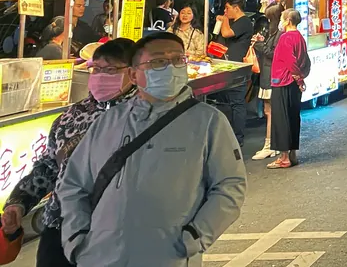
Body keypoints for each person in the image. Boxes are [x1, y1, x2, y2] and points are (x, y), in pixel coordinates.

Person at [57, 32, 246, 266]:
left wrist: (196, 236)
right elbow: (73, 184)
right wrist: (76, 239)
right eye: (158, 61)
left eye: (178, 60)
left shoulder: (209, 121)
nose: (170, 67)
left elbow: (230, 185)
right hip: (100, 256)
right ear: (133, 74)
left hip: (169, 256)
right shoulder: (109, 121)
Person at [3, 38, 137, 267]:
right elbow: (49, 166)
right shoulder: (73, 115)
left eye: (112, 69)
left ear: (133, 73)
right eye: (97, 69)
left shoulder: (146, 116)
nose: (102, 76)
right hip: (60, 224)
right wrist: (19, 202)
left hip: (120, 233)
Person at [268, 9, 308, 169]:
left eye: (283, 19)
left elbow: (290, 61)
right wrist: (300, 78)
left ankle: (284, 157)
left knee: (281, 119)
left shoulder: (285, 38)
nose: (281, 22)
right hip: (293, 83)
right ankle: (292, 154)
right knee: (293, 117)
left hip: (283, 81)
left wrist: (297, 76)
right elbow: (305, 59)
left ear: (288, 21)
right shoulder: (300, 37)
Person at [214, 0, 254, 146]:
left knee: (237, 103)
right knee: (231, 102)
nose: (225, 11)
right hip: (229, 66)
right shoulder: (236, 22)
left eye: (227, 8)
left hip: (238, 68)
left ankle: (238, 137)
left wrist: (224, 19)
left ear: (236, 8)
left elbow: (226, 34)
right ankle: (231, 134)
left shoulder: (243, 21)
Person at [251, 5, 282, 162]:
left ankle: (270, 145)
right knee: (269, 110)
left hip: (271, 76)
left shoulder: (279, 34)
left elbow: (273, 53)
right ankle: (272, 145)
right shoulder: (275, 33)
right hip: (269, 75)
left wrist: (258, 45)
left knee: (270, 110)